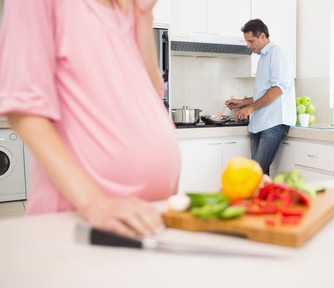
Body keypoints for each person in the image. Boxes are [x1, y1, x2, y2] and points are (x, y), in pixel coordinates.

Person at [0, 0, 181, 238]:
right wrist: (95, 204)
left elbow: (151, 91)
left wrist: (144, 16)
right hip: (84, 219)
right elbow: (24, 109)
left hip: (146, 214)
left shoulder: (125, 9)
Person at [225, 18, 296, 175]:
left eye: (251, 41)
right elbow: (262, 94)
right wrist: (242, 103)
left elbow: (278, 89)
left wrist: (250, 108)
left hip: (274, 122)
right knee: (258, 175)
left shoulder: (278, 53)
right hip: (259, 123)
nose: (248, 46)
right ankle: (263, 200)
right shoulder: (262, 58)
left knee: (256, 174)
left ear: (263, 36)